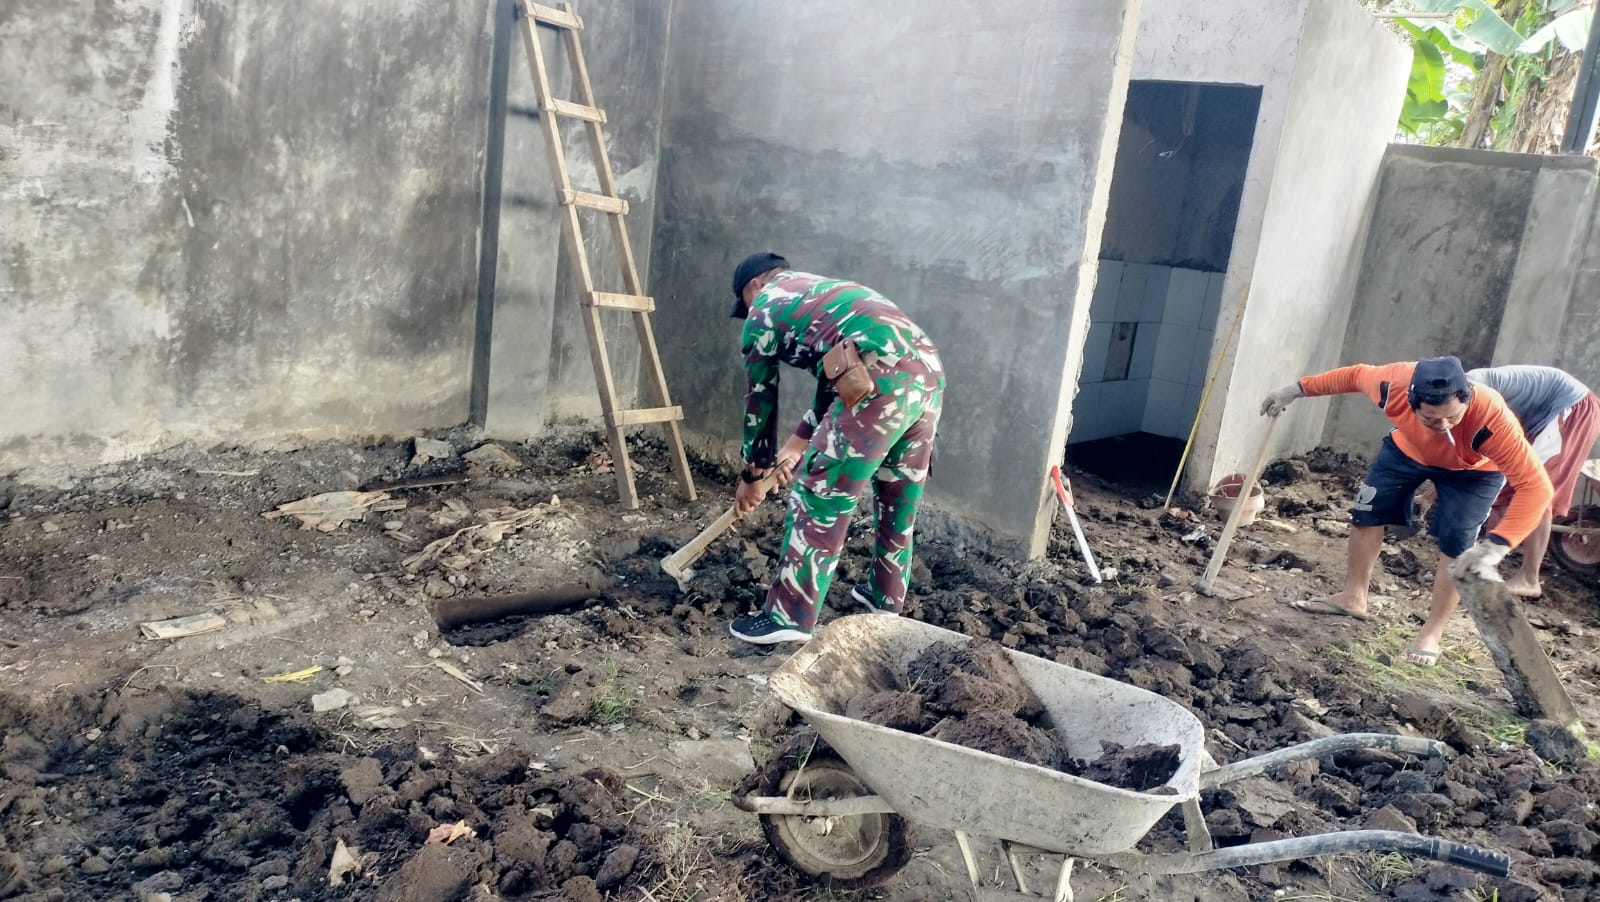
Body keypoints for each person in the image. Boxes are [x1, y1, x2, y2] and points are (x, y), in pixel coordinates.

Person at [1260, 356, 1553, 666]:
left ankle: (1432, 633)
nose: (1443, 426)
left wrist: (1499, 544)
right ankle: (1353, 597)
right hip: (1407, 451)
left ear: (1466, 399)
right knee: (1367, 512)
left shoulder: (1492, 419)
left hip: (1474, 472)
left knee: (1457, 544)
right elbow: (1354, 375)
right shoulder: (1393, 384)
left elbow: (1537, 488)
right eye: (1431, 419)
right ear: (1412, 403)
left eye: (1452, 417)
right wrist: (1294, 390)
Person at [724, 252, 945, 644]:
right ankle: (884, 597)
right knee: (898, 494)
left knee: (820, 494)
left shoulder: (765, 306)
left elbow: (760, 398)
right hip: (926, 375)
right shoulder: (821, 293)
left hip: (878, 379)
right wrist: (796, 445)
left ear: (753, 286)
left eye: (744, 303)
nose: (747, 314)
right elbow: (838, 380)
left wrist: (753, 474)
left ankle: (788, 617)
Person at [1463, 366, 1600, 597]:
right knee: (1503, 489)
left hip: (1572, 408)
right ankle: (1484, 566)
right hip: (1544, 415)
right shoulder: (1458, 399)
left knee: (1535, 489)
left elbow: (1477, 448)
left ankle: (1529, 579)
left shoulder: (1476, 392)